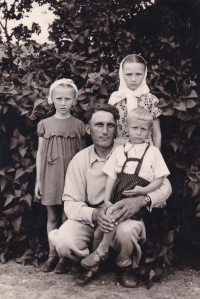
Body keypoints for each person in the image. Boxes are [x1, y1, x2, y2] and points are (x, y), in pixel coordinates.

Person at [49, 103, 172, 288]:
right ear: (88, 129)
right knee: (64, 240)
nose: (105, 131)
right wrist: (95, 214)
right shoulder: (80, 160)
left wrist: (141, 200)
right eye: (99, 125)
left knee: (127, 231)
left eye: (110, 125)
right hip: (94, 218)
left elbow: (165, 186)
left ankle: (124, 265)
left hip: (123, 214)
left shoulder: (132, 149)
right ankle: (90, 261)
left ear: (117, 128)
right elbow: (70, 203)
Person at [81, 108, 170, 270]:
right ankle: (94, 262)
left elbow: (160, 179)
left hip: (137, 198)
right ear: (126, 128)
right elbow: (111, 176)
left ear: (149, 132)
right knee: (105, 222)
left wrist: (143, 192)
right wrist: (107, 199)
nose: (138, 133)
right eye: (134, 128)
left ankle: (102, 252)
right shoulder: (120, 151)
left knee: (113, 217)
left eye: (143, 129)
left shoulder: (153, 152)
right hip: (118, 196)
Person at [35, 78, 86, 273]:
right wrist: (38, 180)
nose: (63, 103)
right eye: (59, 98)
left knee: (68, 217)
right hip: (50, 177)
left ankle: (65, 257)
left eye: (67, 99)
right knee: (52, 216)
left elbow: (82, 156)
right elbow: (40, 153)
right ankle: (52, 255)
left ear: (74, 100)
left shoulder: (79, 125)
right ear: (51, 99)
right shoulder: (45, 124)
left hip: (71, 179)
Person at [109, 54, 162, 149]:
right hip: (120, 149)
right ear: (121, 74)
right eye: (129, 74)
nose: (133, 79)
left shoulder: (151, 100)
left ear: (144, 74)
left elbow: (156, 134)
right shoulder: (115, 99)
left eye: (138, 74)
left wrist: (156, 157)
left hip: (145, 150)